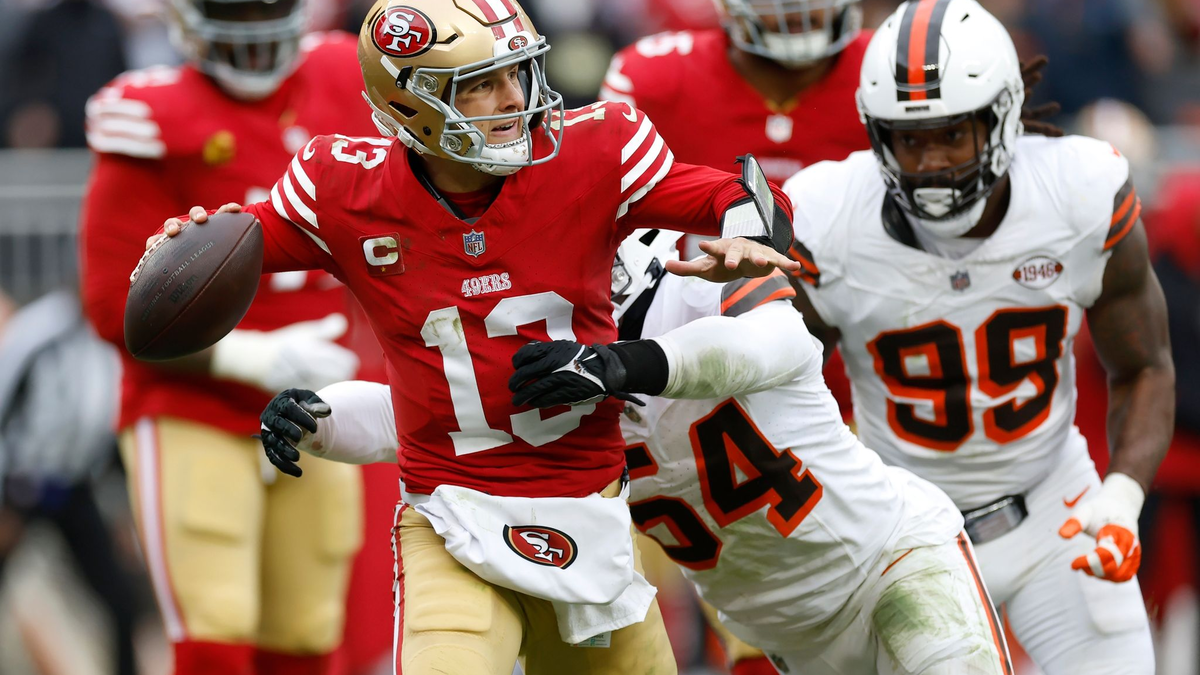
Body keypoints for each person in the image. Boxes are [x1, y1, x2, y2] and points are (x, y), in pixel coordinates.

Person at [149, 1, 798, 673]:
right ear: (411, 104)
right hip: (450, 520)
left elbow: (748, 200)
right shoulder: (343, 189)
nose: (515, 97)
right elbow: (222, 248)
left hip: (591, 517)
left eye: (518, 71)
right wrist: (181, 247)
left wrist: (749, 232)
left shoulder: (594, 150)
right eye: (482, 83)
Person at [257, 228, 1015, 674]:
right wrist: (321, 418)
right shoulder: (552, 375)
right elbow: (415, 417)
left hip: (891, 562)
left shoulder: (703, 289)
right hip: (773, 627)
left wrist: (624, 364)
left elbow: (779, 342)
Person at [783, 0, 1172, 673]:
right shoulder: (827, 217)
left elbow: (1144, 366)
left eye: (951, 135)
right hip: (899, 528)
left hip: (1055, 507)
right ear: (877, 136)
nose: (931, 161)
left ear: (1003, 118)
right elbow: (780, 383)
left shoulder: (1079, 193)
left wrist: (1123, 494)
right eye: (910, 138)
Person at [79, 1, 377, 673]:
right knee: (215, 630)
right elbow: (108, 305)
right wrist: (252, 354)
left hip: (315, 404)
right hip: (193, 410)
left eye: (268, 41)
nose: (256, 62)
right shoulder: (151, 114)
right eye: (237, 46)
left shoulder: (342, 72)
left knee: (305, 634)